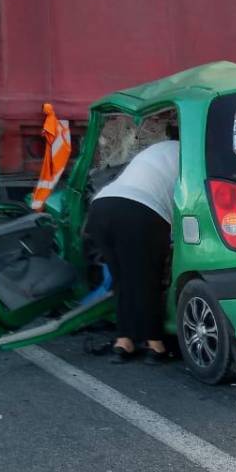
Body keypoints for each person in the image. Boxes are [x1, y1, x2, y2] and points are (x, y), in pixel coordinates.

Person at [82, 134, 179, 365]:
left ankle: (124, 341)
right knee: (147, 279)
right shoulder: (192, 158)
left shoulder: (159, 148)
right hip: (140, 211)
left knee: (123, 279)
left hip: (102, 207)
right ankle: (155, 345)